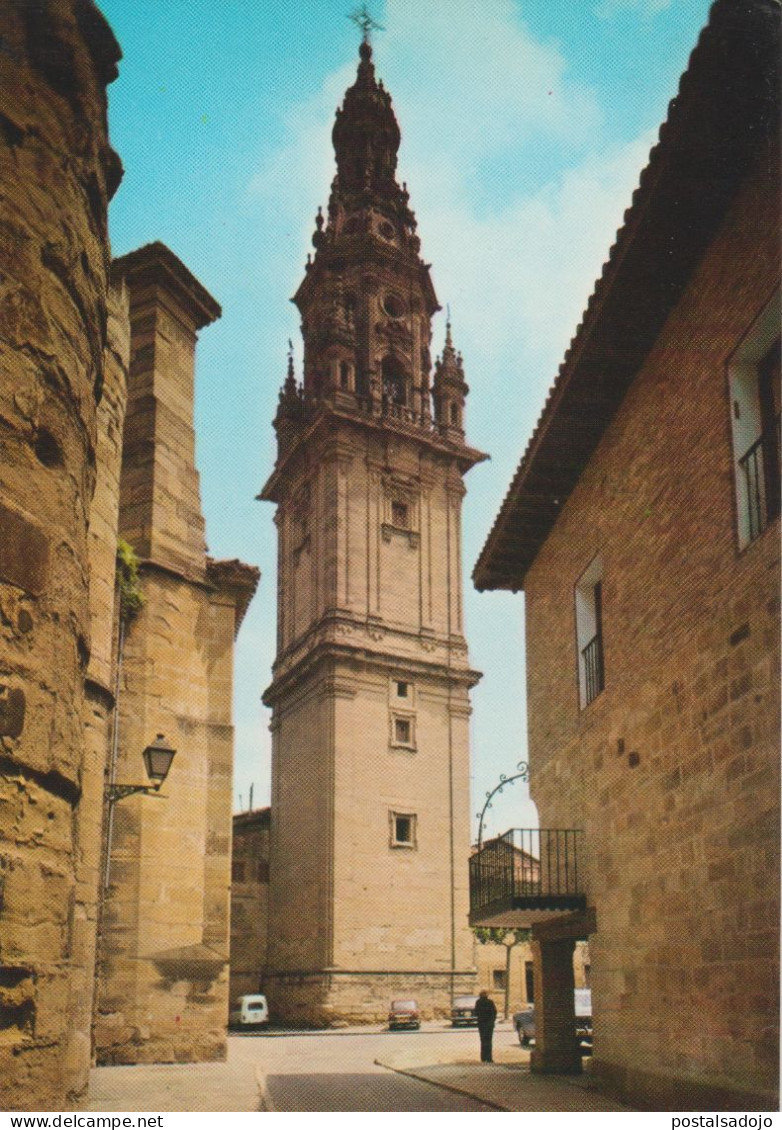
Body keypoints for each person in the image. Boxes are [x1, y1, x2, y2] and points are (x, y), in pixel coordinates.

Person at [474, 989, 497, 1063]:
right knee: (489, 1041)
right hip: (489, 1024)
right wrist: (492, 1020)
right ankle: (489, 1058)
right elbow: (494, 1012)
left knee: (483, 1041)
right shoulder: (490, 1002)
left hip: (482, 1024)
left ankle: (483, 1058)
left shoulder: (478, 1002)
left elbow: (476, 1012)